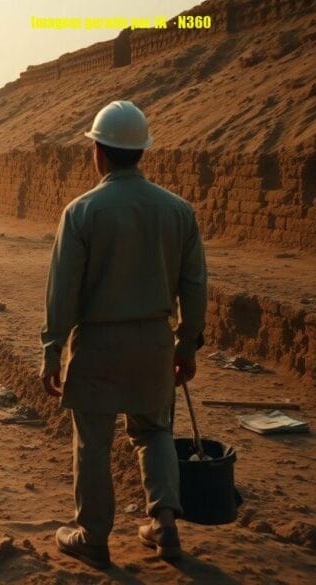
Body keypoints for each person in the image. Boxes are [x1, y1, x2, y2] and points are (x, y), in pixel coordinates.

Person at [40, 101, 206, 569]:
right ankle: (164, 525)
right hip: (154, 341)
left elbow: (63, 289)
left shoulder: (82, 212)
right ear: (141, 152)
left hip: (97, 344)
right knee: (154, 432)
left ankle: (93, 535)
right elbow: (195, 284)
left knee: (92, 440)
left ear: (99, 152)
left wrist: (52, 347)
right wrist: (188, 342)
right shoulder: (178, 211)